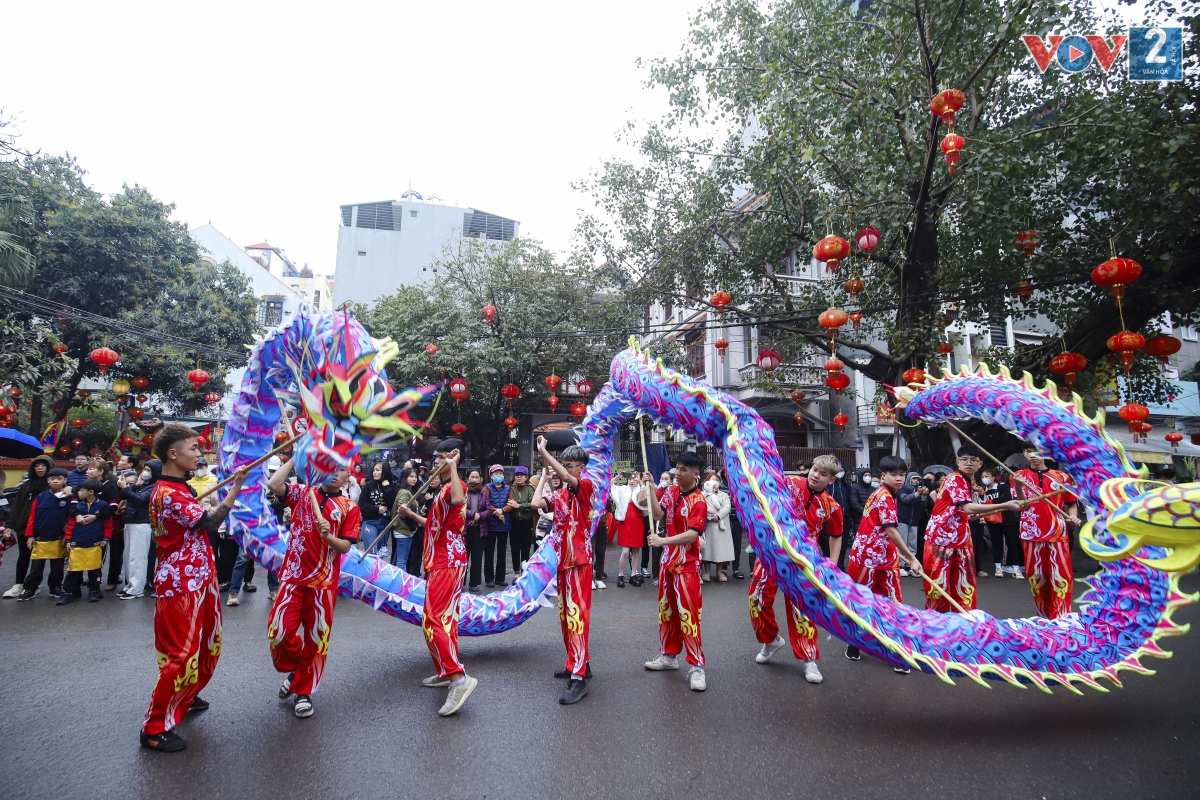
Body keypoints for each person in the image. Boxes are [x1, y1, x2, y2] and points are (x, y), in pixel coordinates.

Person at [141, 424, 250, 752]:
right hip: (181, 583)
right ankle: (154, 726)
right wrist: (236, 488)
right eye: (193, 449)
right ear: (172, 454)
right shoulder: (170, 492)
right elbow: (209, 522)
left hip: (199, 578)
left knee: (204, 644)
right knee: (183, 653)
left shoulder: (176, 488)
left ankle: (186, 695)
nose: (199, 454)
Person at [266, 458, 361, 719]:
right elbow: (274, 483)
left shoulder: (349, 507)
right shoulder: (302, 491)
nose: (334, 473)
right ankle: (297, 668)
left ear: (348, 476)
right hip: (293, 578)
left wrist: (328, 535)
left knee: (316, 640)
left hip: (323, 583)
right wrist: (295, 457)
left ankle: (304, 691)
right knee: (279, 631)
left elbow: (344, 547)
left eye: (341, 469)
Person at [395, 439, 477, 717]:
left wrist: (453, 466)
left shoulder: (457, 486)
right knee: (445, 620)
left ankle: (458, 678)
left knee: (433, 619)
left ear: (454, 459)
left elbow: (457, 499)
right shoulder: (441, 488)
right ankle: (444, 670)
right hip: (438, 559)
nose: (435, 462)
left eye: (441, 457)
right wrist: (410, 514)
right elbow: (434, 524)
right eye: (436, 457)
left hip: (448, 561)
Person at [749, 454, 843, 684]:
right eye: (814, 469)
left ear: (831, 480)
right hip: (773, 551)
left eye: (823, 474)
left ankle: (809, 659)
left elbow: (836, 536)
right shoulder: (791, 483)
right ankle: (770, 639)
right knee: (757, 598)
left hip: (805, 561)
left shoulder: (832, 506)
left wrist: (832, 563)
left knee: (802, 611)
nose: (815, 475)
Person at [532, 438, 596, 705]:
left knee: (577, 616)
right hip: (563, 562)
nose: (563, 470)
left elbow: (567, 477)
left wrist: (544, 452)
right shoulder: (559, 495)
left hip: (580, 560)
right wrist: (545, 479)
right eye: (563, 465)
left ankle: (578, 678)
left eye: (569, 466)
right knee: (566, 617)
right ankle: (577, 662)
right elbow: (537, 504)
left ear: (581, 468)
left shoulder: (586, 486)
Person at [844, 455, 921, 672]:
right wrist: (913, 558)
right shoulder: (884, 495)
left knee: (892, 604)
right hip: (867, 560)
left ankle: (893, 650)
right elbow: (891, 529)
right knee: (864, 603)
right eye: (893, 474)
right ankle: (855, 644)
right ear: (883, 476)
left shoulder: (889, 494)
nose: (898, 478)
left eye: (901, 475)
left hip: (884, 558)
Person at [923, 445, 1020, 613]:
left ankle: (964, 624)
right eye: (964, 460)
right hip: (941, 539)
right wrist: (1004, 505)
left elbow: (960, 510)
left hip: (961, 537)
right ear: (957, 462)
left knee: (965, 584)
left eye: (973, 460)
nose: (968, 463)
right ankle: (937, 626)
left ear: (980, 464)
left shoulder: (971, 482)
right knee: (938, 588)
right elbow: (967, 508)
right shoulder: (955, 479)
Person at [645, 451, 709, 692]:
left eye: (683, 470)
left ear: (695, 474)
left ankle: (696, 666)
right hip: (668, 564)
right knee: (667, 612)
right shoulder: (671, 492)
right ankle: (668, 656)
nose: (677, 473)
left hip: (687, 566)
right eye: (677, 468)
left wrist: (662, 541)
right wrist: (651, 487)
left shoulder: (699, 501)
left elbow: (693, 535)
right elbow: (659, 513)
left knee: (689, 616)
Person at [1013, 443, 1081, 619]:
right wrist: (1020, 488)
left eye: (1037, 451)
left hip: (1057, 533)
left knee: (1060, 576)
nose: (1033, 455)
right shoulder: (1019, 476)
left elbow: (1071, 503)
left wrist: (1073, 517)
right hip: (1031, 533)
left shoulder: (1062, 477)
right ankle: (1042, 616)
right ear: (1024, 454)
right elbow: (1022, 506)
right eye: (1028, 451)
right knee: (1037, 577)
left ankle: (1060, 616)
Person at [3, 454, 56, 598]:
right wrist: (9, 525)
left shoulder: (53, 485)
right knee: (24, 555)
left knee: (41, 558)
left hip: (44, 528)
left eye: (43, 465)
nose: (39, 468)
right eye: (37, 465)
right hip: (24, 527)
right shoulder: (26, 485)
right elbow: (17, 507)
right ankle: (19, 584)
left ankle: (34, 585)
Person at [17, 468, 72, 600]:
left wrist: (68, 536)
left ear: (65, 480)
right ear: (48, 480)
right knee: (36, 567)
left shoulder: (69, 497)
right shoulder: (41, 497)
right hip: (40, 538)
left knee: (57, 567)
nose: (55, 481)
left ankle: (56, 587)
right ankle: (30, 588)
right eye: (52, 479)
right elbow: (32, 517)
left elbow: (71, 518)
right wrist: (30, 535)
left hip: (59, 537)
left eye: (59, 479)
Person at [58, 479, 113, 605]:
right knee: (73, 568)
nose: (78, 492)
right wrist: (68, 539)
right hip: (77, 542)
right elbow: (71, 523)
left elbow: (108, 524)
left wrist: (106, 538)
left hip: (95, 542)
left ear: (91, 492)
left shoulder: (103, 506)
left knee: (94, 568)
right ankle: (69, 591)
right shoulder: (78, 506)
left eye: (82, 490)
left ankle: (94, 590)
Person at [117, 459, 160, 599]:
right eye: (145, 469)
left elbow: (140, 500)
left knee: (137, 557)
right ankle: (130, 584)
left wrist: (126, 488)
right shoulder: (143, 484)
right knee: (129, 556)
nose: (145, 473)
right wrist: (135, 485)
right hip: (131, 521)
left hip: (142, 523)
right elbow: (123, 496)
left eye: (149, 470)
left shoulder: (154, 486)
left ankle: (136, 588)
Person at [979, 466, 1023, 578]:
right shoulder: (982, 490)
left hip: (1008, 519)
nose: (985, 478)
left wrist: (989, 502)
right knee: (996, 543)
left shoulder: (1003, 487)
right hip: (993, 521)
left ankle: (1016, 569)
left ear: (993, 477)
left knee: (1012, 543)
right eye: (983, 476)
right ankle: (998, 568)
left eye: (987, 476)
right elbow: (980, 502)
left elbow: (1007, 498)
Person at [613, 472, 648, 587]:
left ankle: (633, 574)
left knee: (637, 551)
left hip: (638, 522)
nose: (632, 481)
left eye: (634, 479)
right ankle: (621, 575)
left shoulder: (641, 489)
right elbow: (610, 486)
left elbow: (648, 495)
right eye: (630, 479)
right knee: (625, 551)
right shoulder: (622, 489)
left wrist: (641, 481)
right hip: (625, 522)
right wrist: (618, 476)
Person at [358, 460, 398, 560]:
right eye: (374, 470)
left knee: (381, 554)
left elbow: (392, 503)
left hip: (385, 522)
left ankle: (378, 575)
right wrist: (377, 509)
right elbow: (361, 504)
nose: (374, 472)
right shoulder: (368, 485)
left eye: (378, 470)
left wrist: (387, 488)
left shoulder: (392, 485)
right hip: (370, 522)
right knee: (371, 554)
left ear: (385, 471)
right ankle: (370, 575)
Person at [463, 468, 493, 592]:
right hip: (465, 529)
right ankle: (460, 582)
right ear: (468, 478)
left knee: (477, 557)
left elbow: (488, 510)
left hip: (480, 530)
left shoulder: (483, 493)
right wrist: (473, 514)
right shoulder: (463, 491)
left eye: (477, 477)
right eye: (472, 477)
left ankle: (474, 583)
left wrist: (479, 516)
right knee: (463, 557)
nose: (474, 479)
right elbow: (460, 507)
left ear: (480, 479)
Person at [700, 472, 733, 581]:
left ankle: (720, 572)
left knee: (721, 550)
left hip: (721, 525)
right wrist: (709, 516)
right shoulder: (703, 494)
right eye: (712, 480)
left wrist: (718, 516)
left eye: (717, 480)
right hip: (708, 524)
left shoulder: (724, 495)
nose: (715, 482)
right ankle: (707, 572)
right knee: (707, 549)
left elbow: (727, 508)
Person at [505, 466, 536, 577]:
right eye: (517, 475)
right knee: (514, 548)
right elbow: (508, 502)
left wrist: (519, 506)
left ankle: (524, 572)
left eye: (521, 475)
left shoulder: (530, 489)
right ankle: (516, 572)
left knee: (526, 547)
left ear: (526, 477)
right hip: (514, 522)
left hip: (526, 522)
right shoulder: (510, 489)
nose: (519, 477)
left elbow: (533, 504)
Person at [388, 467, 421, 572]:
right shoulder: (404, 492)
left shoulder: (408, 491)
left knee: (397, 560)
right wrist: (415, 519)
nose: (414, 479)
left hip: (405, 530)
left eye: (415, 477)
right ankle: (400, 586)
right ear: (404, 477)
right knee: (402, 561)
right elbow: (402, 510)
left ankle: (391, 582)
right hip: (404, 530)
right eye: (411, 476)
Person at [485, 464, 512, 587]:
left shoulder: (508, 489)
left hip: (504, 524)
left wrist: (503, 510)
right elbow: (485, 503)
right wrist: (496, 511)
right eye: (496, 473)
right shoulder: (486, 488)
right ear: (491, 475)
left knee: (502, 552)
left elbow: (511, 503)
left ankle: (500, 578)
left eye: (500, 473)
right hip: (490, 524)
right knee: (489, 552)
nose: (498, 475)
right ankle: (489, 579)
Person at [896, 473, 925, 576]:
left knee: (912, 544)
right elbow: (905, 499)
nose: (916, 481)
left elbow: (921, 507)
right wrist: (917, 494)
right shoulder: (902, 488)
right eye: (914, 479)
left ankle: (910, 565)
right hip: (903, 519)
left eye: (918, 479)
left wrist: (923, 497)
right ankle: (900, 565)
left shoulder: (919, 491)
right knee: (902, 543)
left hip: (914, 521)